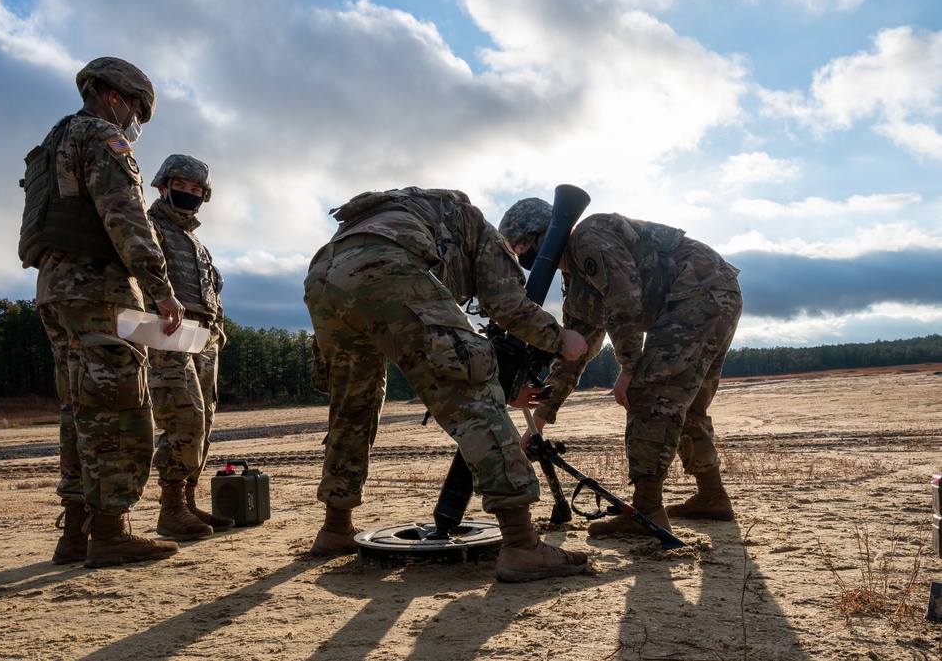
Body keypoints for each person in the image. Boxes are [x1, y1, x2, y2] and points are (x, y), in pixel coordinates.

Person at [303, 187, 590, 583]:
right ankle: (522, 544)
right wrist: (561, 338)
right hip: (388, 264)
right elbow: (506, 306)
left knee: (354, 404)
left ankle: (335, 528)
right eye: (519, 248)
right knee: (473, 394)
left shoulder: (421, 217)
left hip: (324, 274)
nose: (520, 254)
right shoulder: (482, 233)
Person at [18, 57, 184, 568]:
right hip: (101, 291)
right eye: (137, 108)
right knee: (118, 407)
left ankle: (76, 534)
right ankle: (110, 533)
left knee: (79, 412)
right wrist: (161, 290)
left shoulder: (53, 143)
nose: (136, 120)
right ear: (115, 96)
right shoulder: (101, 138)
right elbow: (127, 218)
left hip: (56, 291)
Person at [498, 199, 742, 538]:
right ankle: (712, 497)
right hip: (711, 294)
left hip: (698, 293)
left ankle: (647, 510)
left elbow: (624, 298)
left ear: (546, 235)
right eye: (517, 249)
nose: (523, 254)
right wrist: (538, 421)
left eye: (524, 244)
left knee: (649, 394)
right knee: (684, 404)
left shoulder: (588, 236)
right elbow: (574, 355)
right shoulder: (578, 284)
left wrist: (629, 367)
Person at [145, 154, 235, 540]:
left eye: (196, 190)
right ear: (162, 186)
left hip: (203, 337)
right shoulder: (148, 227)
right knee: (185, 418)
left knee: (205, 422)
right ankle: (171, 509)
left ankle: (189, 501)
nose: (188, 195)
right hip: (166, 334)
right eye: (180, 186)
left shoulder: (194, 241)